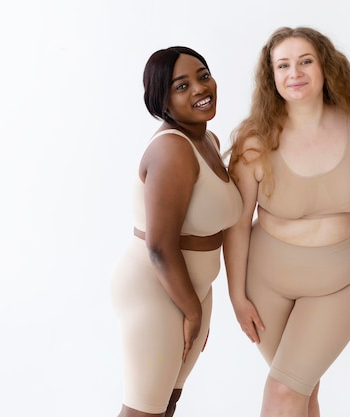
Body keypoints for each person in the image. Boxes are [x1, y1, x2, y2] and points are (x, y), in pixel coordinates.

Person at [223, 26, 350, 417]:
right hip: (266, 283)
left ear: (325, 67)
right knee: (301, 393)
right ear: (272, 76)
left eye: (305, 61)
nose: (294, 72)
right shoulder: (255, 140)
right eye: (283, 65)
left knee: (284, 391)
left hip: (341, 282)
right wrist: (236, 296)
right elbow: (237, 225)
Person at [110, 46, 242, 417]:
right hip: (156, 290)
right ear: (161, 100)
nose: (200, 89)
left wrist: (197, 304)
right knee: (143, 411)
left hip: (190, 292)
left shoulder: (209, 142)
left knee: (167, 403)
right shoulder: (172, 149)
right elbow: (160, 246)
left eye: (203, 75)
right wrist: (193, 312)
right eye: (181, 86)